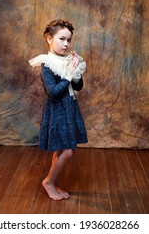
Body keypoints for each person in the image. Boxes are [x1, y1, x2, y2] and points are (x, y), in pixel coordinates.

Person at [29, 19, 88, 200]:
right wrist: (68, 75)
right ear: (49, 38)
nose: (66, 44)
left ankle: (53, 182)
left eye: (69, 40)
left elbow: (77, 87)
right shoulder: (47, 63)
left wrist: (75, 72)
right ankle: (48, 182)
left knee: (62, 150)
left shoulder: (65, 60)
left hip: (69, 107)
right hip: (57, 110)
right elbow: (53, 92)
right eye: (62, 39)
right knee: (68, 151)